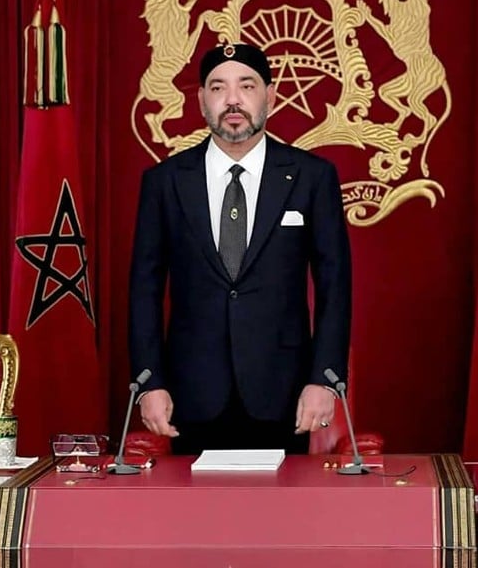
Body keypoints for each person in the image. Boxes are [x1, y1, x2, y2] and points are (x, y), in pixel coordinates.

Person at [128, 43, 352, 455]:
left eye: (246, 86)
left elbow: (334, 286)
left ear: (270, 94)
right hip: (189, 396)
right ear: (201, 101)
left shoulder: (311, 177)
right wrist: (148, 383)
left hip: (283, 395)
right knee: (192, 519)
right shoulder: (165, 181)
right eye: (218, 88)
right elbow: (144, 289)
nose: (233, 100)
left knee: (280, 519)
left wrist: (324, 378)